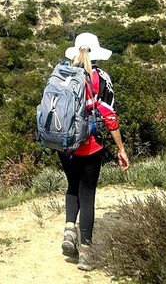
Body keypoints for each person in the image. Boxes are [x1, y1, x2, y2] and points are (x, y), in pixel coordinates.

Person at [57, 32, 130, 271]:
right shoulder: (100, 77)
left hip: (65, 144)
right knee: (87, 193)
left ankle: (69, 230)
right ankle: (86, 252)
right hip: (90, 144)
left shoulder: (62, 73)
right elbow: (109, 116)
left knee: (72, 187)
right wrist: (121, 148)